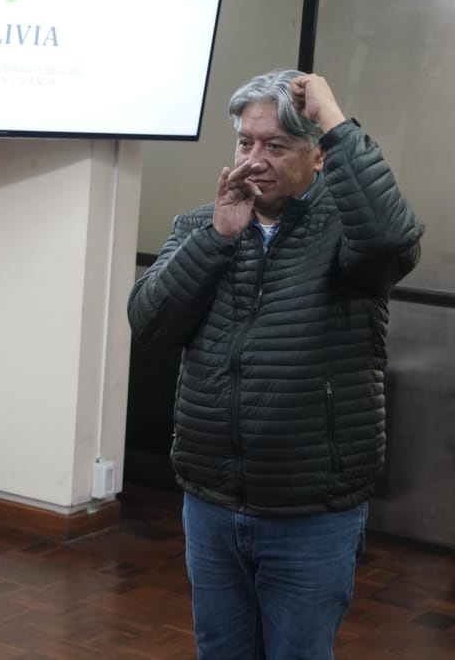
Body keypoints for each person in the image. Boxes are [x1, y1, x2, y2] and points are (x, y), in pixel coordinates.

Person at [127, 69, 424, 659]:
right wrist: (217, 238)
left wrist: (334, 119)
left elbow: (393, 242)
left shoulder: (348, 233)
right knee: (222, 651)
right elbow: (149, 324)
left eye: (276, 145)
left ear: (318, 155)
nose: (254, 160)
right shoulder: (201, 225)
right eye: (245, 142)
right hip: (211, 499)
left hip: (311, 508)